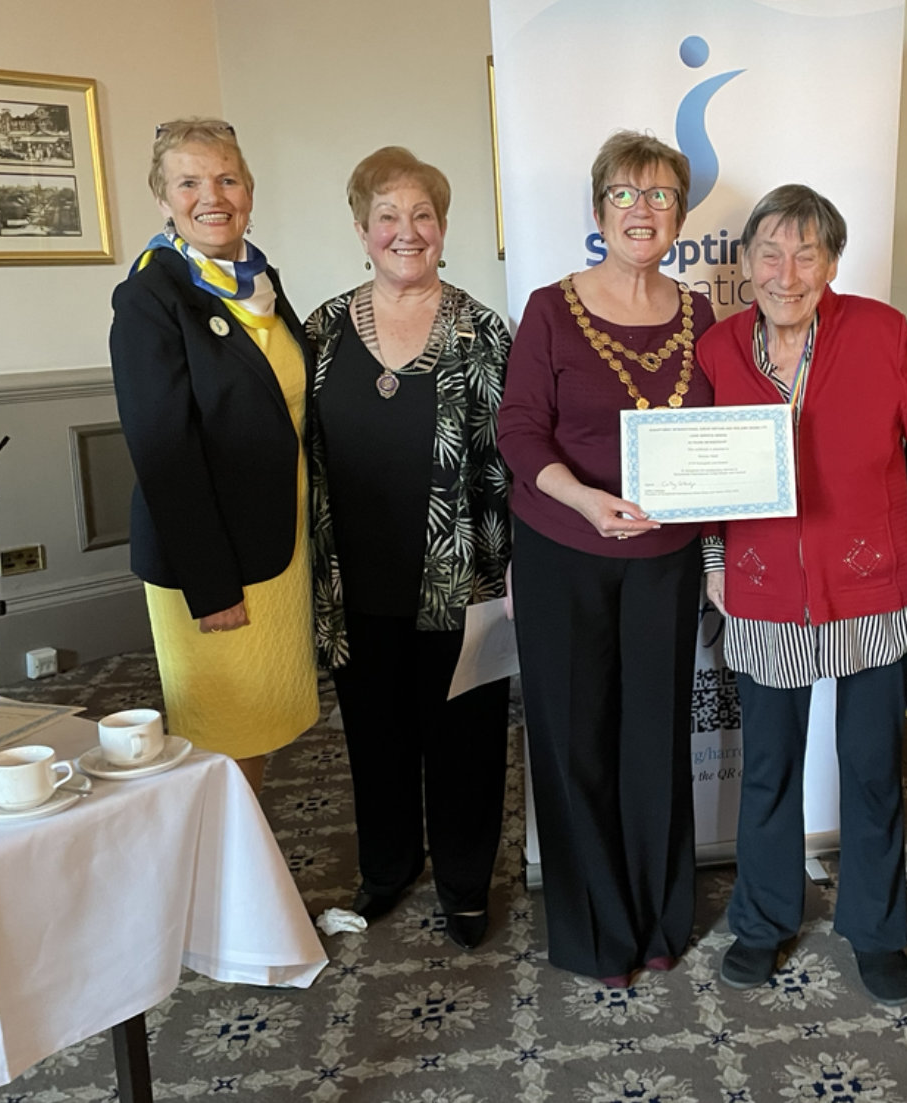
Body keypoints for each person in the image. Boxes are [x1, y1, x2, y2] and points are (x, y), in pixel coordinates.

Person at [697, 185, 907, 1007]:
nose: (785, 272)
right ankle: (762, 920)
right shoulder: (719, 349)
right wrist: (714, 558)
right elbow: (703, 469)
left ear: (832, 263)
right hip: (762, 594)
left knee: (869, 771)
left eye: (806, 254)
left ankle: (876, 929)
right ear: (745, 262)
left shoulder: (878, 332)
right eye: (769, 252)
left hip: (870, 590)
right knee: (767, 771)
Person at [498, 131, 716, 987]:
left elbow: (721, 437)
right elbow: (519, 429)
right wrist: (583, 498)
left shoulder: (704, 316)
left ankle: (661, 918)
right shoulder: (551, 310)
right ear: (597, 213)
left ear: (681, 215)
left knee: (656, 739)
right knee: (574, 741)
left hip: (666, 559)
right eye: (624, 194)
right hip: (563, 549)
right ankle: (595, 931)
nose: (641, 210)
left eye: (660, 195)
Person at [304, 147, 511, 948]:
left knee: (466, 739)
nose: (406, 229)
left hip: (464, 580)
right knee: (374, 736)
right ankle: (388, 867)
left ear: (444, 227)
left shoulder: (484, 330)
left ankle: (463, 882)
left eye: (422, 213)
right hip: (353, 580)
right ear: (362, 230)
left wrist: (517, 564)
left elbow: (511, 459)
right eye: (387, 215)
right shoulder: (320, 330)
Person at [110, 118, 318, 795]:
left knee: (261, 731)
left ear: (249, 191)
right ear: (163, 198)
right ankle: (234, 893)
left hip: (274, 548)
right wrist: (211, 584)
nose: (212, 196)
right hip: (216, 561)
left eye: (227, 178)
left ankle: (255, 884)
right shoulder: (151, 296)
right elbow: (162, 451)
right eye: (189, 182)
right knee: (226, 743)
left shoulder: (255, 278)